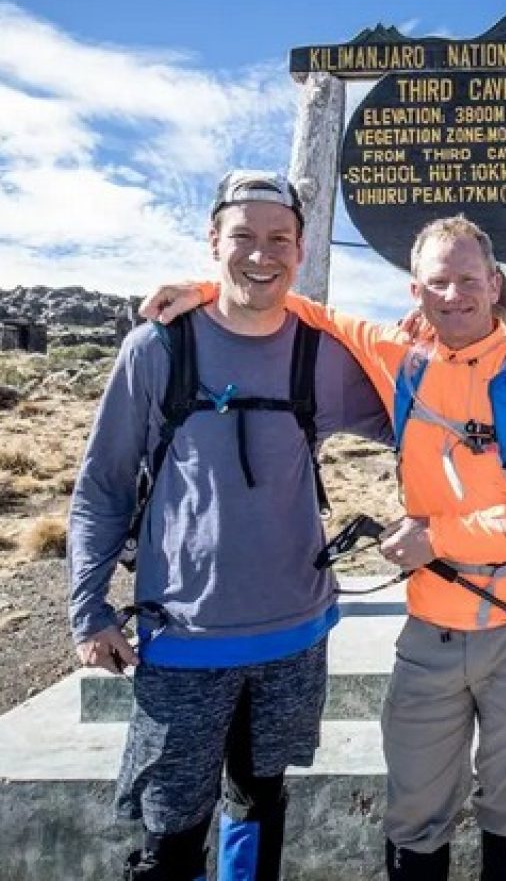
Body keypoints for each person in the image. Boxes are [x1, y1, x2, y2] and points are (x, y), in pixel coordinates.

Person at [142, 214, 506, 881]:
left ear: (494, 285)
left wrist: (437, 537)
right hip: (433, 627)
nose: (455, 295)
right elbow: (298, 304)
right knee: (415, 806)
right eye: (439, 282)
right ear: (416, 292)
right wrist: (209, 291)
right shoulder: (396, 358)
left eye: (470, 280)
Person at [69, 171, 391, 881]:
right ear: (213, 243)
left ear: (300, 251)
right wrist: (87, 609)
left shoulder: (322, 355)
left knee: (257, 805)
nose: (261, 253)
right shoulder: (158, 349)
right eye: (243, 236)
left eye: (279, 239)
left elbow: (417, 418)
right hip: (184, 638)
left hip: (295, 635)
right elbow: (104, 483)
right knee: (170, 831)